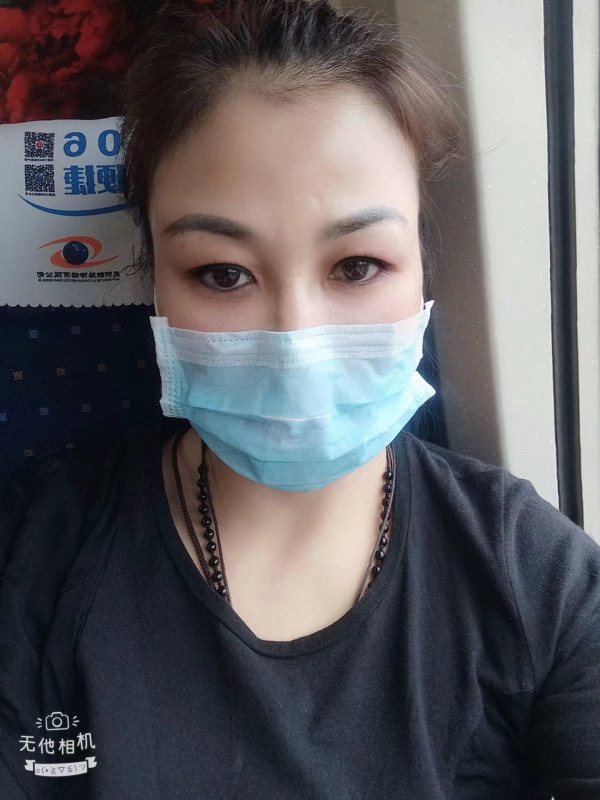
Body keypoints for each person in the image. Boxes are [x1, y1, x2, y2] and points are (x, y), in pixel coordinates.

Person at [1, 1, 599, 798]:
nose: (295, 338)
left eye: (356, 266)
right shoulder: (34, 556)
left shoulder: (536, 577)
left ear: (422, 267)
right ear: (156, 286)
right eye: (222, 273)